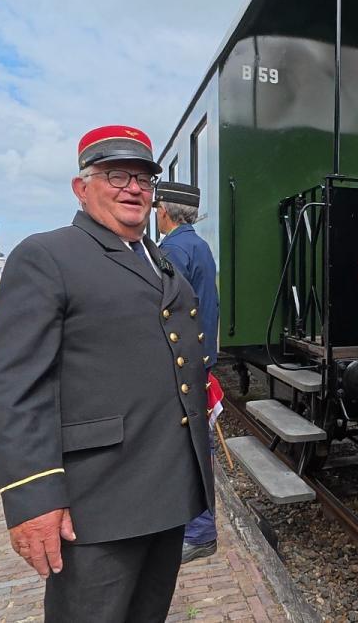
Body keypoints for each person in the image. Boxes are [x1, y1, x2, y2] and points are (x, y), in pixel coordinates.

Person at [0, 125, 214, 622]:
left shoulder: (157, 259)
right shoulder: (48, 256)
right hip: (98, 502)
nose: (134, 188)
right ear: (81, 186)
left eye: (144, 179)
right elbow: (15, 388)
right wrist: (32, 499)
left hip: (167, 490)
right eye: (117, 176)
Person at [153, 181, 219, 564]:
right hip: (201, 355)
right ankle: (196, 528)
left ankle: (198, 532)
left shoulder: (172, 250)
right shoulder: (198, 245)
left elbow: (166, 311)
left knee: (190, 448)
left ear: (165, 211)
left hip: (184, 361)